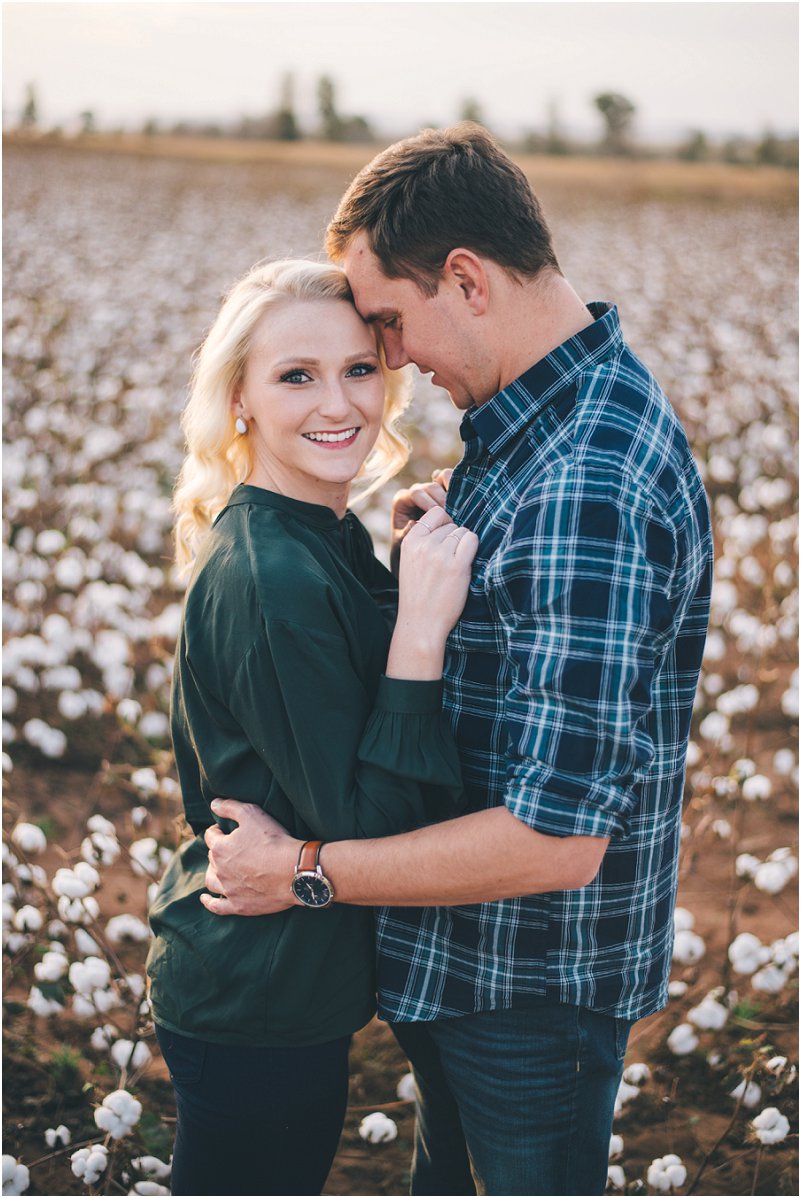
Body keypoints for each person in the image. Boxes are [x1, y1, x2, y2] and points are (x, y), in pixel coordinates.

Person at [202, 126, 714, 1196]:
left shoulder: (588, 481)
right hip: (477, 969)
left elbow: (557, 837)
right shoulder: (538, 422)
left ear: (467, 281)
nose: (389, 362)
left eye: (387, 322)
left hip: (522, 988)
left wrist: (301, 870)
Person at [145, 257, 478, 1197]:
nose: (338, 402)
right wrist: (417, 628)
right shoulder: (274, 576)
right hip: (257, 991)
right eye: (296, 375)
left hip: (282, 980)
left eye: (360, 369)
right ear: (238, 399)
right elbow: (368, 830)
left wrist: (403, 558)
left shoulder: (319, 535)